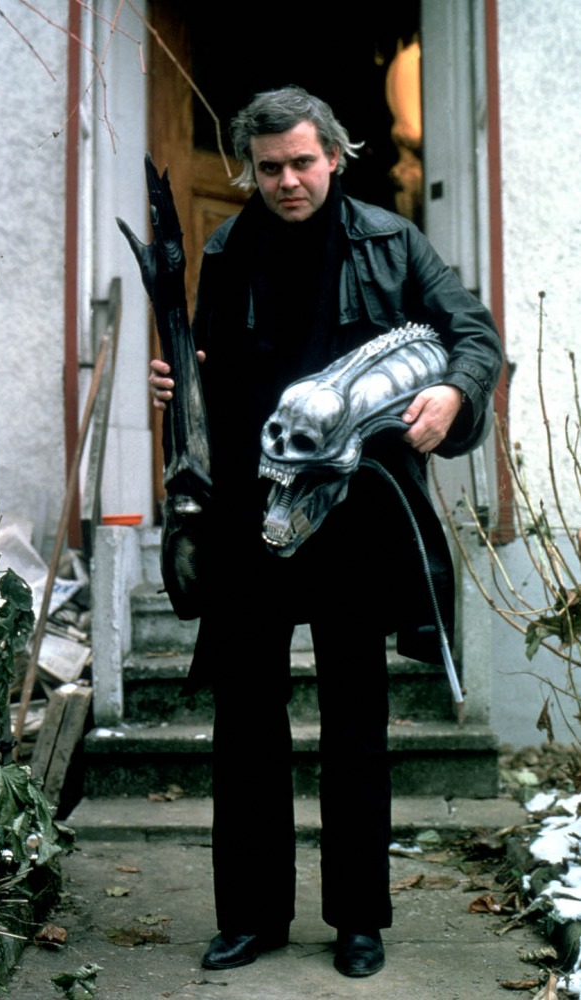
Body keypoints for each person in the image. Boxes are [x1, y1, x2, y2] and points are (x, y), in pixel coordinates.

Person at [149, 85, 503, 979]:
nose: (287, 181)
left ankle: (358, 922)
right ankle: (252, 918)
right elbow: (215, 373)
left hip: (356, 516)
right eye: (269, 167)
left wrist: (453, 390)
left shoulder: (392, 241)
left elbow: (474, 334)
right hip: (252, 515)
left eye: (302, 162)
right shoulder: (227, 249)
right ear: (252, 170)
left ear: (335, 157)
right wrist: (181, 386)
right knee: (245, 725)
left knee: (355, 721)